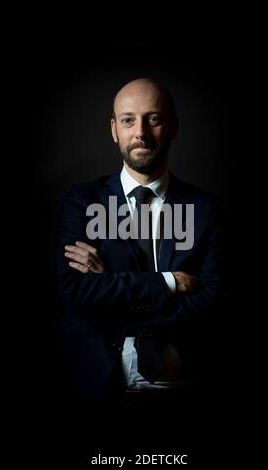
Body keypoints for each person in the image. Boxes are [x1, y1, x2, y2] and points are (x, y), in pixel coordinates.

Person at [56, 78, 227, 414]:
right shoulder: (83, 201)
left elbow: (214, 305)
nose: (141, 134)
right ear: (114, 129)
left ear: (174, 127)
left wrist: (109, 290)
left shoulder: (208, 210)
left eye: (154, 119)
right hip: (94, 391)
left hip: (186, 392)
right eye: (128, 120)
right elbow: (74, 291)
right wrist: (170, 282)